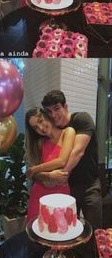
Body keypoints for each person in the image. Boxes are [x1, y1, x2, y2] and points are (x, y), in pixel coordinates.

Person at [40, 90, 102, 229]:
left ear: (65, 107)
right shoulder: (54, 130)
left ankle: (94, 251)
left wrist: (62, 175)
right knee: (69, 229)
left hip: (89, 186)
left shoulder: (81, 119)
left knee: (94, 229)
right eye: (49, 111)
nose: (53, 115)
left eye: (57, 109)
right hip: (68, 188)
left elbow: (78, 152)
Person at [25, 107, 75, 221]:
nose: (41, 128)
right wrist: (49, 175)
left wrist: (35, 169)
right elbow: (33, 175)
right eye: (35, 127)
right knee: (35, 230)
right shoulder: (40, 142)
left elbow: (62, 161)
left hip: (61, 192)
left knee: (60, 231)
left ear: (47, 115)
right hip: (39, 192)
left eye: (40, 121)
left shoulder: (68, 132)